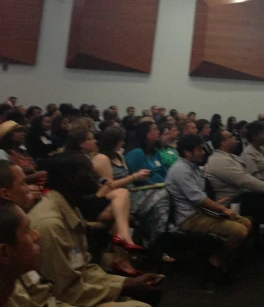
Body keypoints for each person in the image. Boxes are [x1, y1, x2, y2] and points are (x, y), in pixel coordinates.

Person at [28, 152, 163, 306]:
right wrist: (124, 288)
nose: (97, 176)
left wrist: (126, 283)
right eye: (90, 172)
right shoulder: (50, 225)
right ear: (72, 179)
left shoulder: (71, 208)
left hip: (79, 292)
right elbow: (64, 293)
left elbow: (83, 269)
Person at [205, 129, 264, 265]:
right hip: (233, 201)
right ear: (222, 143)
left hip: (244, 196)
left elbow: (246, 175)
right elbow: (244, 179)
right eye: (230, 137)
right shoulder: (218, 160)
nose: (235, 139)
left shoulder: (230, 156)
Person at [165, 135, 251, 278]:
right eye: (199, 149)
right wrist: (221, 209)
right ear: (187, 152)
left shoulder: (192, 167)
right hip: (188, 219)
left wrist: (216, 206)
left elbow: (199, 197)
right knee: (239, 231)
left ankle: (219, 255)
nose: (203, 152)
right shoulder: (180, 169)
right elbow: (197, 198)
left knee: (246, 223)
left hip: (200, 213)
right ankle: (216, 259)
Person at [65, 130, 142, 276]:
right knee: (122, 197)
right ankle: (124, 242)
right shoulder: (85, 160)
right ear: (81, 144)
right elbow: (93, 192)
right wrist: (130, 178)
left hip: (95, 200)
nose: (95, 141)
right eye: (91, 139)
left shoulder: (87, 158)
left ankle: (122, 256)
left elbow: (101, 184)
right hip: (84, 205)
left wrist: (105, 184)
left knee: (122, 199)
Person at [93, 127, 173, 262]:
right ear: (113, 142)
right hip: (117, 197)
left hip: (131, 192)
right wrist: (134, 177)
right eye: (121, 141)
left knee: (162, 204)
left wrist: (136, 177)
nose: (124, 143)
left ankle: (154, 245)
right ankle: (153, 246)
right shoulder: (102, 158)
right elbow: (110, 186)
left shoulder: (119, 156)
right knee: (163, 198)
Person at [124, 121, 167, 186]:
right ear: (147, 134)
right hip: (145, 189)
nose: (159, 132)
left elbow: (164, 172)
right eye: (155, 129)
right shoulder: (136, 153)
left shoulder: (155, 151)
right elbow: (141, 180)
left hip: (163, 186)